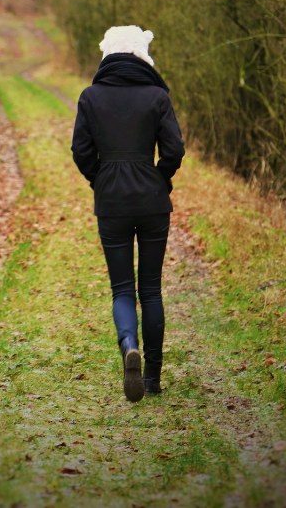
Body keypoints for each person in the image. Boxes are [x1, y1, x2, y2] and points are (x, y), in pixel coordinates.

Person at [70, 25, 186, 402]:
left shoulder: (90, 97)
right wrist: (159, 178)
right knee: (150, 289)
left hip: (112, 202)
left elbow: (80, 150)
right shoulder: (158, 96)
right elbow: (174, 149)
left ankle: (128, 347)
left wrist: (100, 179)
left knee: (122, 289)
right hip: (153, 201)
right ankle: (151, 379)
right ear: (140, 54)